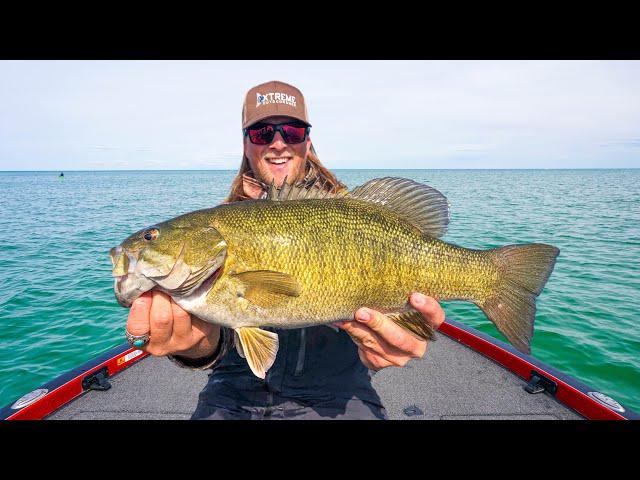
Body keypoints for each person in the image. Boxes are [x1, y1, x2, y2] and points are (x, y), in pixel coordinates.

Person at [125, 80, 446, 419]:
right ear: (246, 143)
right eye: (262, 133)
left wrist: (391, 341)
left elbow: (390, 331)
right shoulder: (219, 224)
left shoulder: (352, 213)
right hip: (233, 391)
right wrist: (193, 349)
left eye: (292, 131)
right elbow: (211, 341)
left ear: (308, 141)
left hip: (337, 392)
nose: (278, 143)